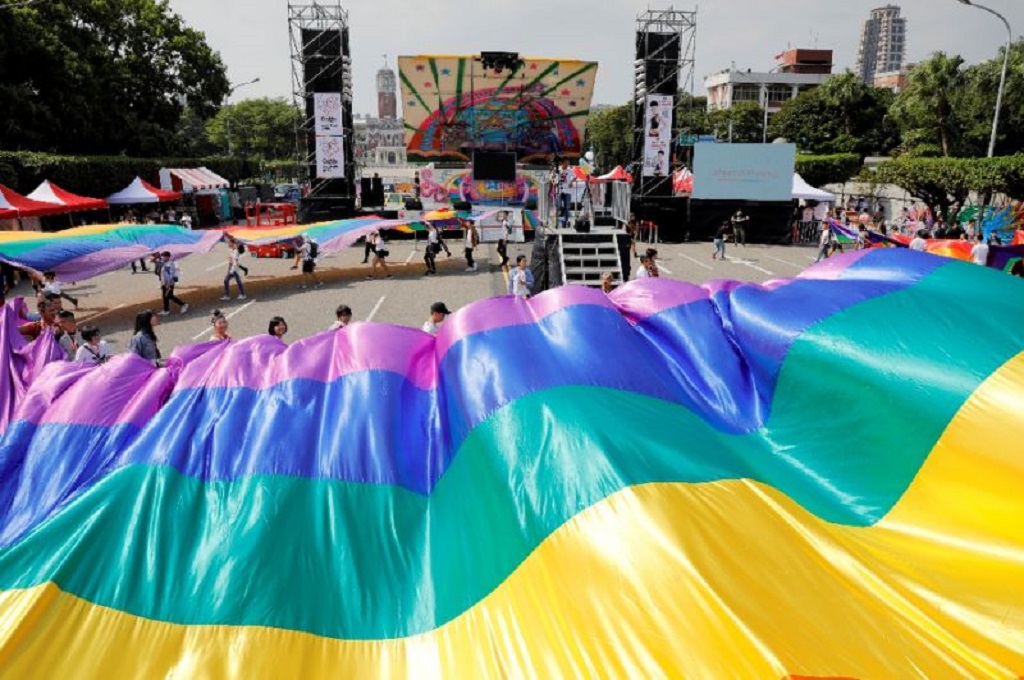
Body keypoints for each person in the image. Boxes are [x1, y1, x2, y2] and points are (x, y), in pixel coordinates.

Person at [158, 252, 188, 316]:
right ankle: (166, 310)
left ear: (168, 257)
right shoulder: (162, 263)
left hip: (170, 283)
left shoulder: (171, 264)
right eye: (162, 256)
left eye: (164, 256)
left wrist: (171, 283)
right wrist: (162, 283)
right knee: (164, 297)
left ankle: (183, 304)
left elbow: (174, 274)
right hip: (164, 283)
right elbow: (162, 274)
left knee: (169, 295)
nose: (162, 258)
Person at [558, 161, 574, 227]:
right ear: (562, 163)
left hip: (567, 190)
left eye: (568, 164)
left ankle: (565, 221)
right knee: (558, 205)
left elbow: (575, 176)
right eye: (566, 163)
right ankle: (561, 219)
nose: (567, 165)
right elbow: (552, 176)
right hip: (559, 190)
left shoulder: (570, 170)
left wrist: (571, 182)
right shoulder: (558, 169)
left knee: (567, 207)